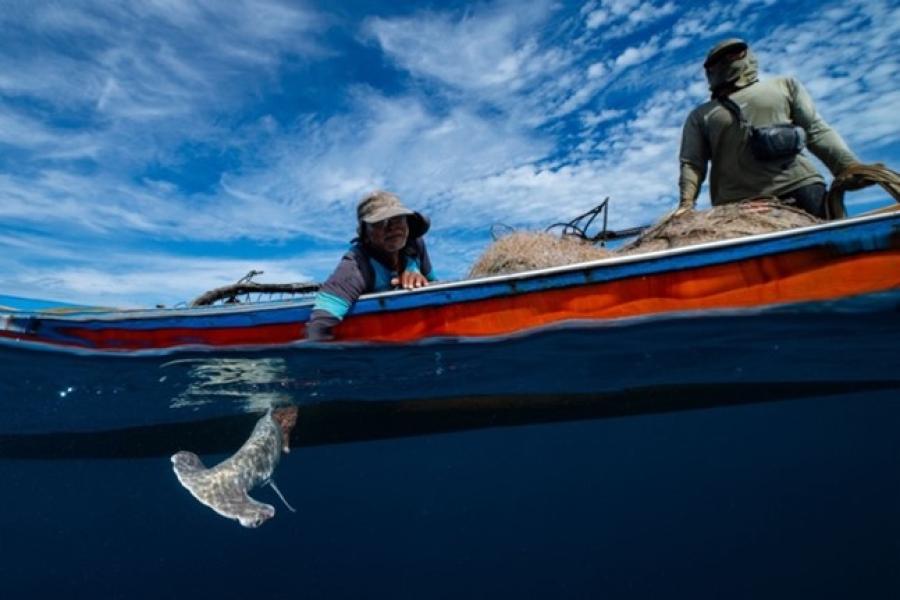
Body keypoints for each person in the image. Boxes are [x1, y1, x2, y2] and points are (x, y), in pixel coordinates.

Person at [677, 38, 860, 219]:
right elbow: (692, 163)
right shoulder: (701, 115)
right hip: (738, 203)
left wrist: (849, 166)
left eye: (735, 54)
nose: (728, 60)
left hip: (797, 187)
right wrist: (686, 204)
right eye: (721, 59)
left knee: (836, 236)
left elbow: (815, 130)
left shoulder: (785, 85)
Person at [306, 190, 435, 341]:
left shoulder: (415, 245)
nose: (393, 227)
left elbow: (436, 286)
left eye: (399, 218)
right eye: (381, 222)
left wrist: (415, 274)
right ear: (365, 234)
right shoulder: (355, 267)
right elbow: (319, 325)